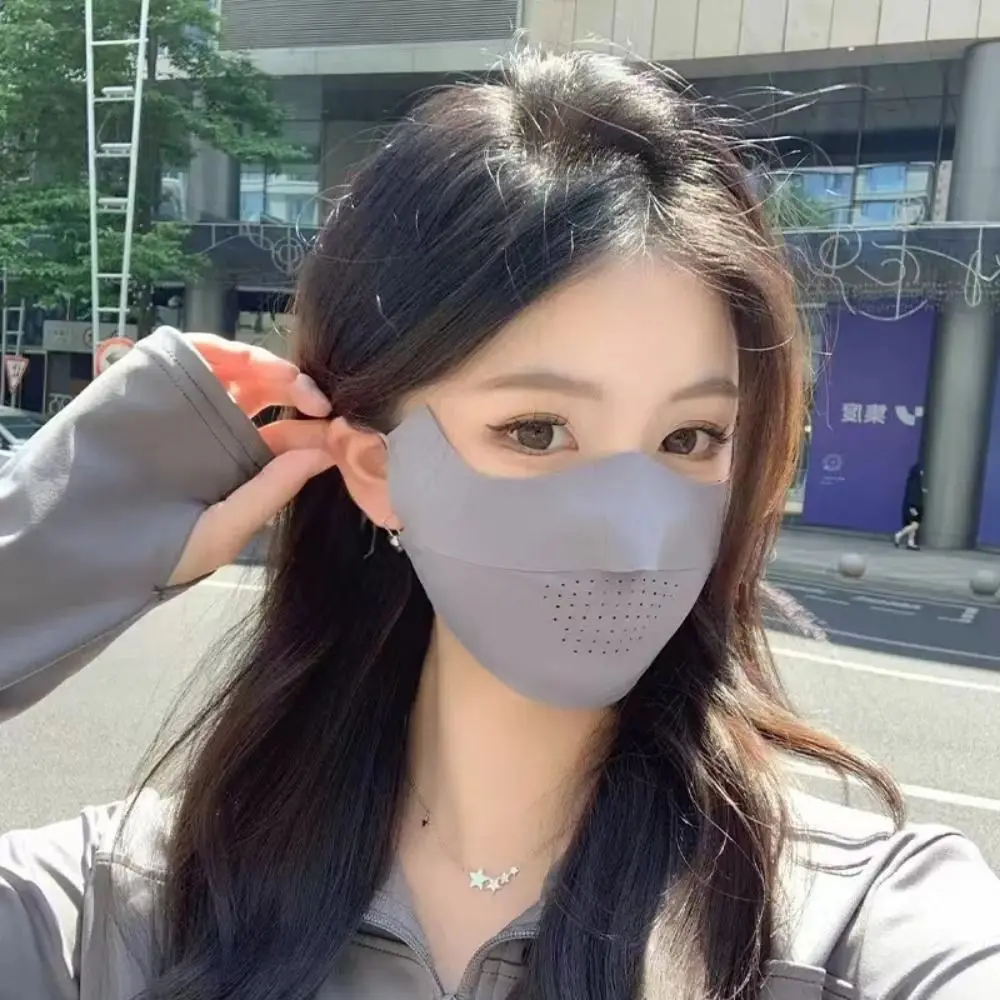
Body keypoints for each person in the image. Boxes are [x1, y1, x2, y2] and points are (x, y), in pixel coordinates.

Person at [2, 50, 998, 1000]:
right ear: (377, 471)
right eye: (536, 429)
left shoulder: (849, 929)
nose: (635, 538)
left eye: (689, 437)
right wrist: (67, 531)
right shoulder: (121, 911)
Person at [894, 462, 925, 551]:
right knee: (915, 524)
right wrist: (913, 506)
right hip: (913, 506)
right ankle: (899, 535)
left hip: (910, 505)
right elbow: (913, 495)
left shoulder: (912, 481)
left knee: (912, 523)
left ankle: (910, 542)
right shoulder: (915, 482)